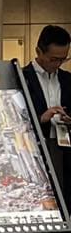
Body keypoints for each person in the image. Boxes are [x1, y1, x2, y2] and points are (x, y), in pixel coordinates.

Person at [22, 25, 71, 189]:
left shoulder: (67, 79)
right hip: (35, 147)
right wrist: (41, 118)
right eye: (53, 59)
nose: (58, 64)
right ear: (38, 52)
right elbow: (14, 119)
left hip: (65, 148)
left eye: (63, 59)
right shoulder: (21, 78)